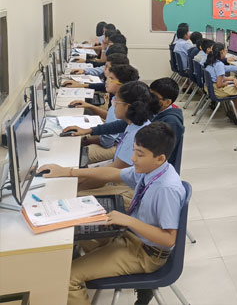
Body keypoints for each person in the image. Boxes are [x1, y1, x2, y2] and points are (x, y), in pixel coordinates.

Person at [37, 122, 186, 305]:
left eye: (139, 154)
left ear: (160, 158)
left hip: (145, 253)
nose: (132, 158)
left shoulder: (166, 188)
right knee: (76, 229)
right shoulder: (151, 170)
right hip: (131, 236)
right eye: (134, 151)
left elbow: (169, 239)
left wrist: (129, 221)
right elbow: (113, 174)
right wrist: (67, 172)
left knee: (67, 279)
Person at [76, 81, 154, 205]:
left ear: (128, 107)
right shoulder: (135, 123)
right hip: (118, 177)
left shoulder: (137, 136)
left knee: (75, 196)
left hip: (128, 190)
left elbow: (112, 173)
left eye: (116, 102)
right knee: (80, 178)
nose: (113, 106)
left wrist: (76, 183)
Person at [204, 43, 237, 124]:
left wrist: (233, 77)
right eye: (225, 50)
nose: (226, 52)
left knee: (236, 84)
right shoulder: (219, 64)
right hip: (217, 90)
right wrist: (229, 83)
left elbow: (218, 76)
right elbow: (219, 84)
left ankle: (232, 112)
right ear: (222, 52)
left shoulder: (211, 61)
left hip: (210, 88)